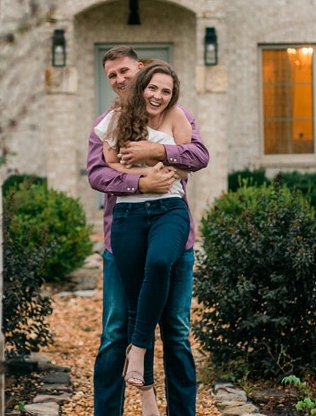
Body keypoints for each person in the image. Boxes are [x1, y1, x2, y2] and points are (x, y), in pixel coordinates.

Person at [87, 46, 208, 416]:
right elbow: (97, 173)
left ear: (140, 70)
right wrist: (140, 183)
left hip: (173, 237)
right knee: (114, 332)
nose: (120, 79)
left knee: (176, 331)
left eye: (125, 71)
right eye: (112, 75)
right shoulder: (107, 122)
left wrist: (155, 153)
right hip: (121, 235)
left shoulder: (176, 113)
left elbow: (198, 154)